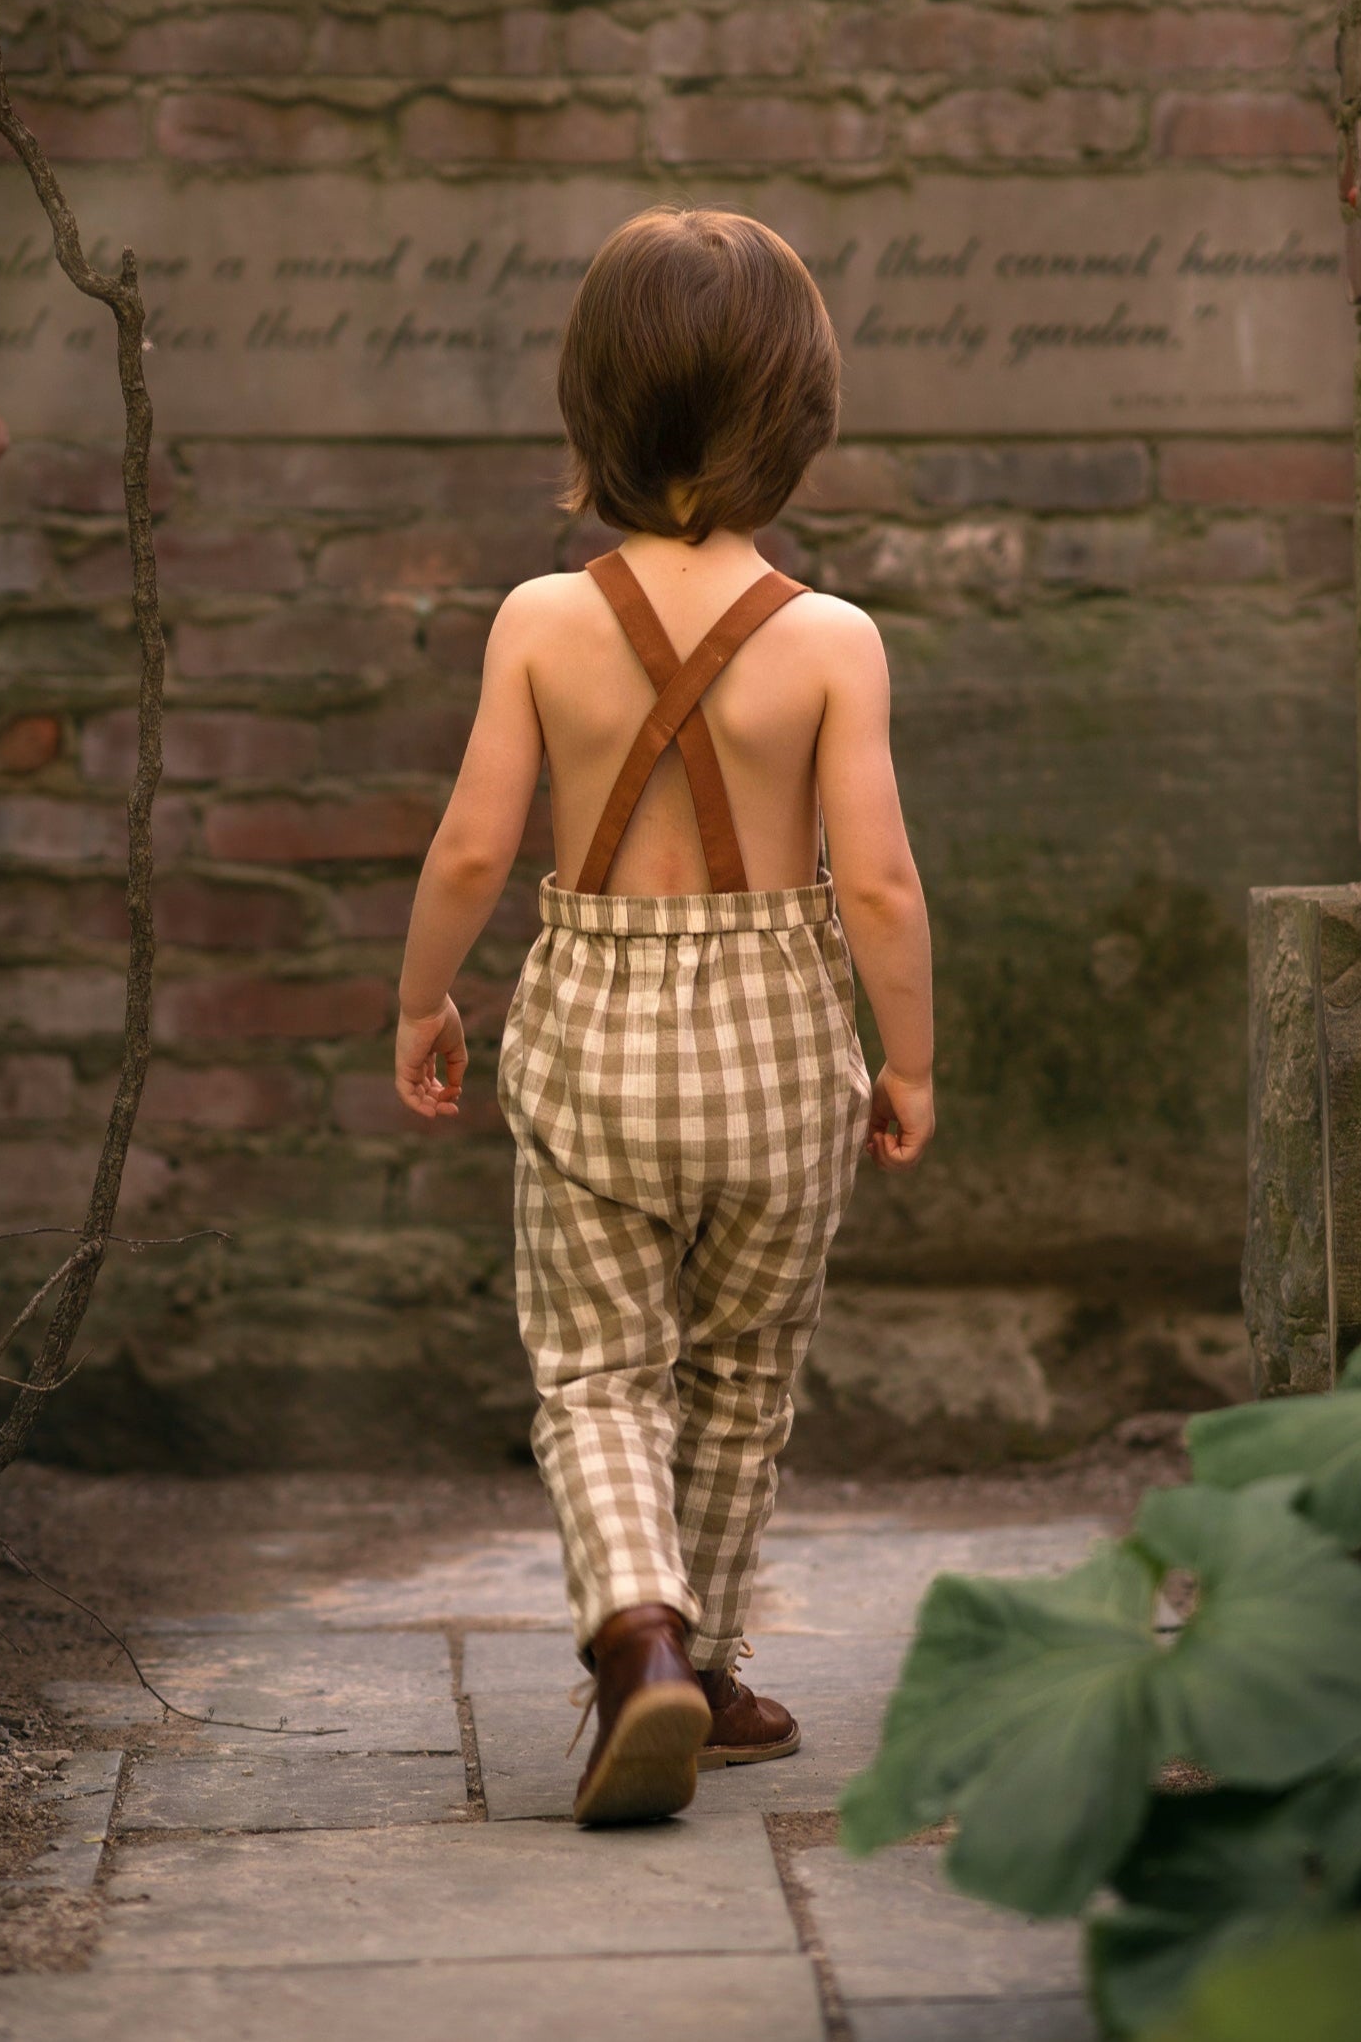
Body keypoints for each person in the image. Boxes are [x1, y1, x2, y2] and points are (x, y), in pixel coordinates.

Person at [392, 206, 936, 1829]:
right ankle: (714, 1654)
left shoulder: (542, 622)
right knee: (744, 1377)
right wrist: (906, 1059)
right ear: (803, 420)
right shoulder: (833, 640)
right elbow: (886, 885)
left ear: (590, 412)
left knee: (598, 1375)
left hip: (599, 1038)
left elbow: (478, 842)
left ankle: (642, 1645)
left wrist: (424, 998)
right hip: (780, 1051)